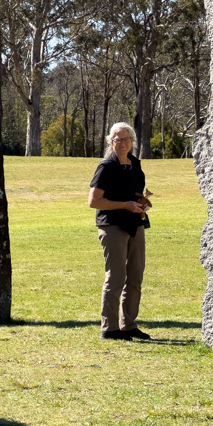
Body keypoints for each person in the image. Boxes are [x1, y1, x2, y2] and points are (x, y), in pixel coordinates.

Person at [88, 122, 153, 341]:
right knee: (116, 277)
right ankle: (110, 328)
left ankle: (128, 325)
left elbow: (135, 194)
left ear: (132, 142)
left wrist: (141, 203)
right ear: (111, 142)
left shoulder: (135, 164)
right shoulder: (106, 167)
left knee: (135, 277)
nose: (122, 143)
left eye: (126, 139)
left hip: (135, 225)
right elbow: (94, 201)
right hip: (112, 226)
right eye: (117, 139)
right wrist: (125, 205)